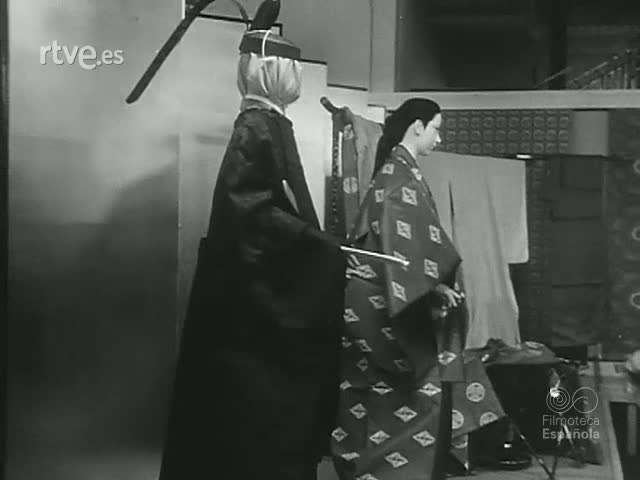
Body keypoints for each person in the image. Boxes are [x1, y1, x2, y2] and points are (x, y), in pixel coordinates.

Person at [157, 12, 348, 480]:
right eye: (292, 68)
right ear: (274, 71)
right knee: (254, 418)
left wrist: (316, 244)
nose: (298, 77)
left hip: (255, 297)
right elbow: (246, 212)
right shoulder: (255, 126)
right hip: (247, 309)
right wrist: (314, 243)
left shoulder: (270, 123)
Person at [331, 98, 466, 480]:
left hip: (372, 298)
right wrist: (434, 287)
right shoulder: (399, 178)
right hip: (381, 302)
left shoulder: (396, 172)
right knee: (420, 389)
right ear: (417, 126)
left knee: (365, 392)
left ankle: (363, 467)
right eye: (436, 129)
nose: (438, 138)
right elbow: (401, 247)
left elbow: (407, 247)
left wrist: (432, 285)